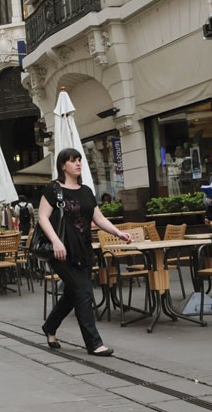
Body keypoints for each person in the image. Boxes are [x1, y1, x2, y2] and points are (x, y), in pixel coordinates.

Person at [39, 148, 131, 357]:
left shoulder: (86, 190)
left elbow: (98, 218)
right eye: (73, 161)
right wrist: (56, 242)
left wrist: (118, 232)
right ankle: (94, 343)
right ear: (63, 165)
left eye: (80, 160)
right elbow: (43, 218)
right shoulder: (53, 189)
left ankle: (50, 327)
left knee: (73, 293)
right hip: (61, 251)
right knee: (83, 292)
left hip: (83, 250)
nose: (78, 164)